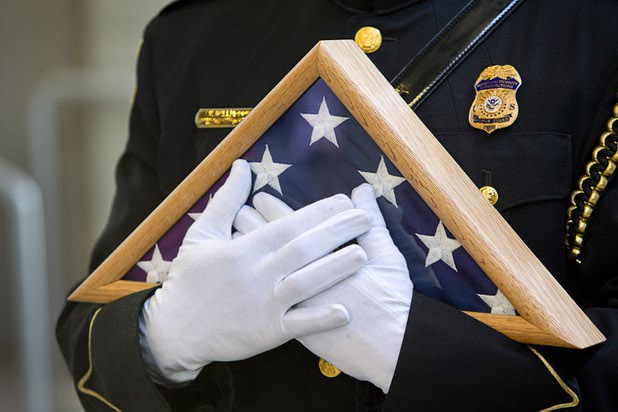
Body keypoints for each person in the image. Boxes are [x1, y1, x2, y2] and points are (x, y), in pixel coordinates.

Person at [57, 0, 618, 410]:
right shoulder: (190, 35)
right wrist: (164, 338)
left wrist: (409, 347)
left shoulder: (593, 29)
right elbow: (91, 317)